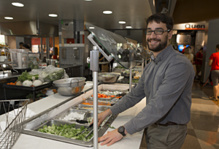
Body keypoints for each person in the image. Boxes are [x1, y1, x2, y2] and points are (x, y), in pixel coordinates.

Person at [97, 13, 195, 148]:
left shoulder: (179, 64)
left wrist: (122, 130)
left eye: (159, 31)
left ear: (170, 33)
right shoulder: (151, 64)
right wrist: (109, 112)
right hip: (153, 125)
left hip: (168, 132)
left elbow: (159, 106)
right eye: (149, 31)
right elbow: (135, 94)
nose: (152, 36)